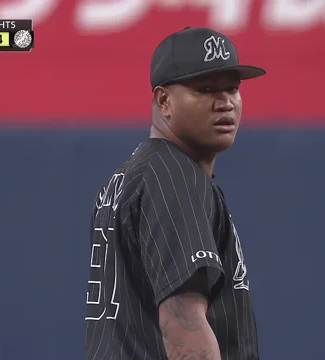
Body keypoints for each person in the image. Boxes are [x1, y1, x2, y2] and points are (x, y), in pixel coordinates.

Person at [84, 26, 266, 360]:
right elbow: (182, 321)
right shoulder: (172, 177)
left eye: (232, 88)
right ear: (164, 101)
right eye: (206, 89)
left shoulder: (135, 173)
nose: (224, 102)